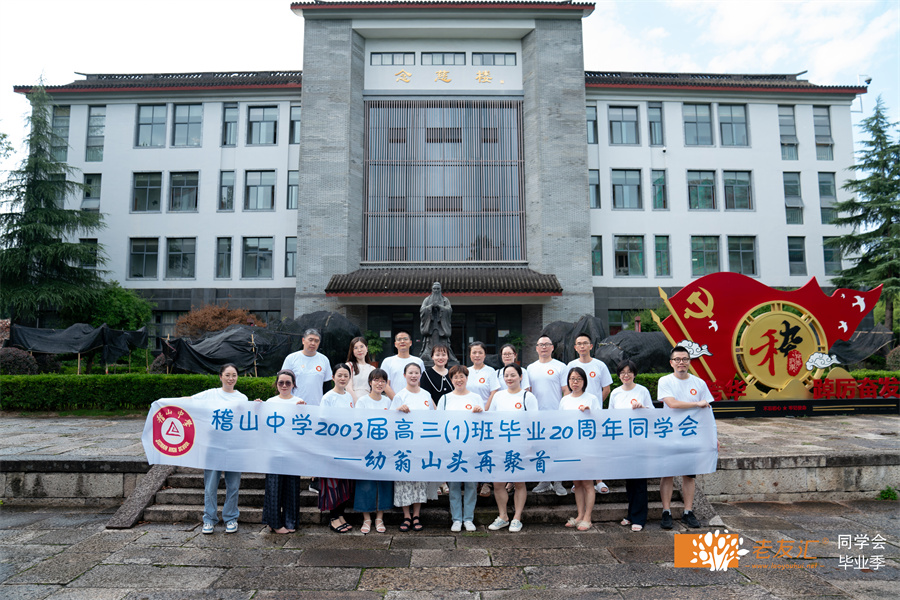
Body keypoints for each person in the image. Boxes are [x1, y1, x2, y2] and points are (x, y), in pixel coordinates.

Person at [657, 345, 714, 530]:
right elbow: (672, 404)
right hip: (669, 433)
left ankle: (688, 511)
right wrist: (696, 403)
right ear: (671, 363)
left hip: (691, 435)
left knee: (689, 475)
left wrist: (712, 437)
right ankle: (666, 511)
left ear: (689, 362)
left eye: (684, 359)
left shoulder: (699, 383)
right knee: (667, 474)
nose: (681, 362)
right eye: (677, 359)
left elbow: (707, 413)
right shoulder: (665, 381)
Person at [196, 364, 248, 534]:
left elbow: (247, 421)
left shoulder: (242, 398)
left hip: (235, 446)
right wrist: (165, 402)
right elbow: (190, 401)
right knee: (210, 485)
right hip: (214, 445)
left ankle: (231, 518)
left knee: (233, 485)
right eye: (227, 375)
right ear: (220, 376)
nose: (231, 378)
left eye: (234, 375)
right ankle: (209, 519)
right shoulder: (210, 394)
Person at [487, 363, 538, 533]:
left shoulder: (528, 397)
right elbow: (491, 419)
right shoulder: (498, 396)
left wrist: (530, 443)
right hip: (500, 445)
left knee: (519, 482)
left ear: (520, 377)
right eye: (506, 376)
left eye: (513, 375)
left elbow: (534, 422)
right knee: (498, 483)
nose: (509, 378)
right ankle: (503, 516)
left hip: (520, 445)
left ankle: (517, 517)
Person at [390, 363, 438, 531]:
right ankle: (406, 515)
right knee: (403, 479)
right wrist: (398, 410)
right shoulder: (400, 396)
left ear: (420, 375)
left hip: (422, 444)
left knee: (419, 479)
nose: (413, 375)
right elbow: (390, 419)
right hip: (403, 445)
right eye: (410, 372)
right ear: (404, 375)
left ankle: (416, 515)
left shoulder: (426, 395)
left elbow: (433, 417)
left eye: (416, 373)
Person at [437, 365, 484, 532]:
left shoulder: (476, 398)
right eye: (455, 377)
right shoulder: (445, 399)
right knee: (454, 484)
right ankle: (456, 518)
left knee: (471, 484)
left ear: (467, 378)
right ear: (451, 380)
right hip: (452, 447)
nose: (459, 380)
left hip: (472, 447)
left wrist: (480, 413)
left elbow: (484, 422)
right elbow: (439, 422)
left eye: (462, 376)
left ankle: (468, 518)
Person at [608, 360, 654, 532]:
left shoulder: (642, 391)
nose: (626, 375)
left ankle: (639, 518)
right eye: (622, 372)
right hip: (623, 442)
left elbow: (653, 414)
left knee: (639, 481)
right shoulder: (615, 393)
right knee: (629, 481)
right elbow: (611, 416)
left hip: (639, 442)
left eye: (629, 372)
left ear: (634, 374)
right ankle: (630, 514)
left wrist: (642, 408)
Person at [566, 333, 613, 495]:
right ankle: (578, 481)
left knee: (595, 449)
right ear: (575, 347)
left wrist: (595, 406)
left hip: (594, 416)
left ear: (591, 346)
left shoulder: (600, 365)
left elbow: (606, 388)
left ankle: (599, 480)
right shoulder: (571, 365)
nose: (582, 346)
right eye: (579, 343)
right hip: (575, 417)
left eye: (585, 343)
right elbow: (567, 389)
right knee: (578, 449)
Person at [259, 370, 306, 534]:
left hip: (292, 451)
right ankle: (274, 523)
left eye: (288, 382)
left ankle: (290, 521)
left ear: (293, 384)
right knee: (273, 487)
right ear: (276, 384)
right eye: (281, 383)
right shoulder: (269, 402)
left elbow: (304, 427)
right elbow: (261, 424)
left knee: (292, 487)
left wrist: (305, 411)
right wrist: (256, 408)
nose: (284, 386)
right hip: (274, 451)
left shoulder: (299, 402)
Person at [559, 366, 602, 531]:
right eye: (572, 379)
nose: (575, 382)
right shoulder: (565, 400)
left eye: (578, 379)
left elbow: (601, 420)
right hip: (571, 447)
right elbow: (560, 422)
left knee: (588, 482)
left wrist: (590, 413)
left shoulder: (591, 399)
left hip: (588, 446)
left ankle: (588, 517)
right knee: (577, 483)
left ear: (584, 381)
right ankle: (579, 514)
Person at [353, 368, 393, 533]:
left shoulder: (388, 402)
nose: (379, 384)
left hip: (384, 448)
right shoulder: (362, 401)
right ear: (370, 382)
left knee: (383, 483)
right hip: (366, 447)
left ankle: (379, 518)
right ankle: (367, 518)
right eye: (376, 380)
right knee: (366, 483)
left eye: (383, 381)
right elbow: (359, 424)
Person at [527, 335, 568, 496]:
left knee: (557, 449)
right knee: (540, 449)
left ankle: (558, 482)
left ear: (552, 347)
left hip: (556, 415)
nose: (544, 347)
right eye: (541, 344)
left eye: (547, 344)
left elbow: (566, 391)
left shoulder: (561, 366)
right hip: (537, 417)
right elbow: (528, 392)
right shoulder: (530, 368)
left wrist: (564, 411)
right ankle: (544, 481)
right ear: (536, 348)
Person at [319, 363, 355, 533]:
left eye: (346, 376)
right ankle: (333, 518)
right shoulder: (328, 397)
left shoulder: (348, 397)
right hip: (332, 447)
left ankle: (341, 515)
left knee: (344, 483)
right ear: (333, 377)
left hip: (347, 447)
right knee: (332, 483)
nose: (342, 378)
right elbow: (323, 422)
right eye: (339, 375)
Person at [281, 328, 332, 405]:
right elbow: (283, 383)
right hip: (295, 405)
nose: (313, 343)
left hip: (317, 406)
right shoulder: (291, 358)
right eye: (310, 340)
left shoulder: (324, 360)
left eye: (316, 341)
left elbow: (327, 386)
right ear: (303, 340)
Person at [381, 330, 425, 399]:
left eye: (405, 339)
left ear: (410, 343)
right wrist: (397, 400)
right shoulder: (387, 361)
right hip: (393, 402)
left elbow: (420, 382)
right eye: (399, 339)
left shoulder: (418, 361)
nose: (402, 341)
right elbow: (385, 384)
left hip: (413, 400)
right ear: (395, 344)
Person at [420, 281, 455, 362]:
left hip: (442, 326)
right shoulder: (427, 299)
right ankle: (428, 356)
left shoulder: (445, 300)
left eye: (438, 289)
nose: (436, 290)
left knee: (443, 343)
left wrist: (440, 307)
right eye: (434, 289)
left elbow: (449, 310)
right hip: (430, 326)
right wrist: (431, 306)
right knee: (429, 343)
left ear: (440, 290)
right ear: (432, 289)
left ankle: (444, 356)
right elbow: (422, 310)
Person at [345, 336, 376, 401]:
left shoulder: (372, 369)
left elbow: (374, 390)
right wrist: (357, 403)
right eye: (355, 348)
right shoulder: (349, 366)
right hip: (353, 401)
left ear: (366, 348)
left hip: (368, 402)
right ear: (352, 351)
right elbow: (348, 388)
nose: (359, 350)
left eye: (362, 347)